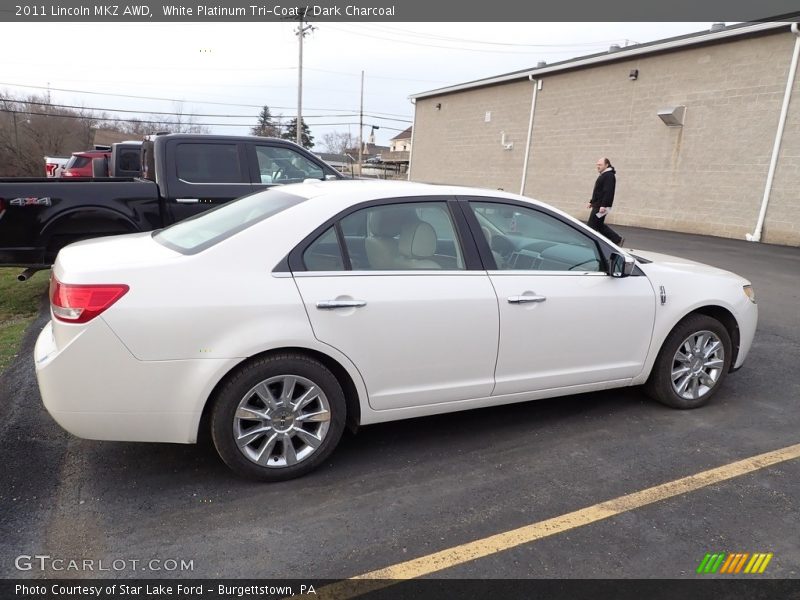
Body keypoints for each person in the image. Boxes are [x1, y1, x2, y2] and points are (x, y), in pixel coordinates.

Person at [587, 157, 624, 246]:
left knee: (591, 226)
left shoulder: (609, 176)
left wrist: (603, 205)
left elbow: (608, 192)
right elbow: (598, 191)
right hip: (599, 205)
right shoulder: (604, 175)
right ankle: (617, 239)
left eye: (600, 165)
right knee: (599, 225)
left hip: (601, 207)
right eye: (597, 165)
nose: (598, 166)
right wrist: (592, 202)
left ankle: (589, 244)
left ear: (606, 165)